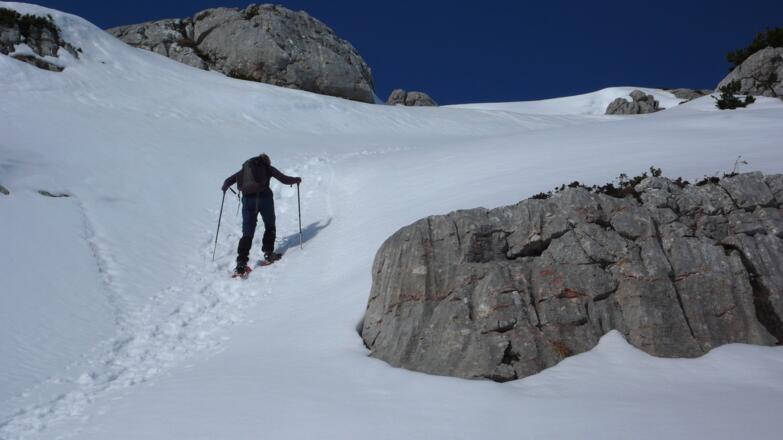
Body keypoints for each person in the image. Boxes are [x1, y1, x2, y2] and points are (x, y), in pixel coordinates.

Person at [222, 153, 301, 275]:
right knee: (270, 225)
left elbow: (227, 181)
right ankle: (269, 253)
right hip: (265, 200)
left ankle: (241, 263)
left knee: (247, 232)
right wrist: (296, 180)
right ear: (267, 161)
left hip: (248, 202)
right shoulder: (267, 168)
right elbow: (284, 179)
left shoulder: (245, 169)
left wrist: (224, 187)